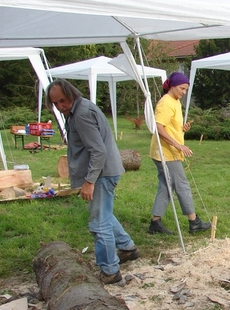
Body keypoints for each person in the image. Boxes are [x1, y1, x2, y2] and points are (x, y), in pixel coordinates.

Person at [46, 79, 140, 285]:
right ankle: (127, 248)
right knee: (104, 214)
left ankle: (110, 271)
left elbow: (98, 151)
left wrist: (89, 181)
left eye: (63, 100)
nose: (61, 106)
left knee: (99, 223)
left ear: (71, 93)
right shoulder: (82, 107)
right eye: (56, 104)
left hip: (101, 173)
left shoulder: (81, 115)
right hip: (106, 170)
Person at [148, 72, 211, 235]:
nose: (184, 92)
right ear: (172, 86)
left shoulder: (175, 102)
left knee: (166, 186)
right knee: (182, 185)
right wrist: (178, 145)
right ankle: (194, 222)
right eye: (182, 89)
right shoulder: (165, 103)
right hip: (166, 153)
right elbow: (159, 128)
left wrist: (181, 130)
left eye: (186, 90)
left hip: (169, 152)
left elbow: (169, 127)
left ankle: (155, 222)